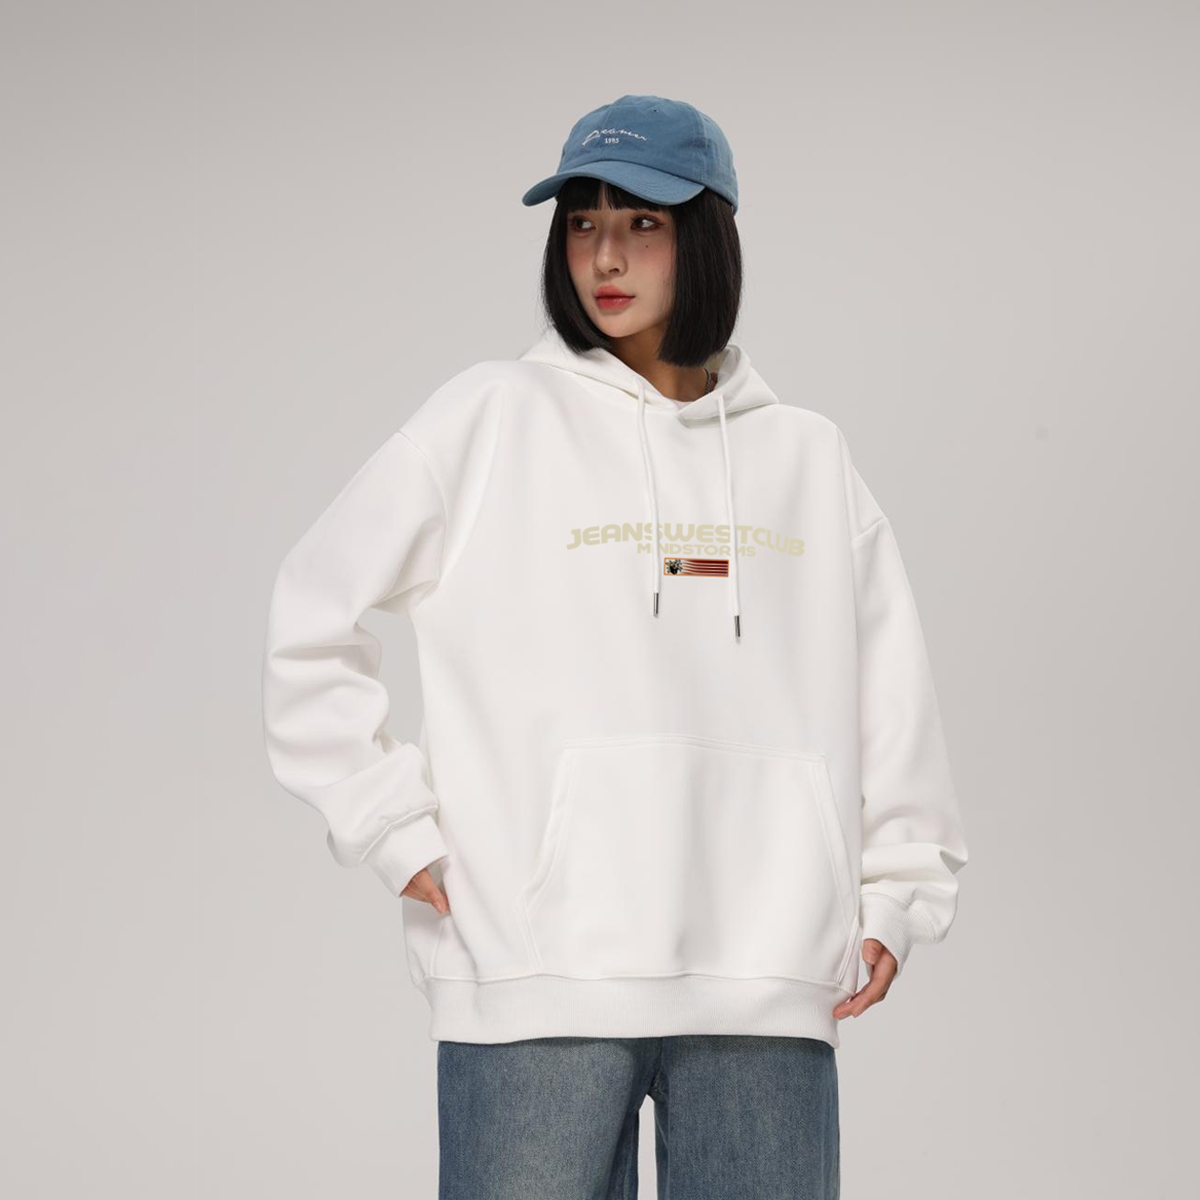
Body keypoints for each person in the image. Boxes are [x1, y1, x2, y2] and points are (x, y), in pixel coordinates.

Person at [261, 93, 969, 1199]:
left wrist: (900, 888)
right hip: (536, 974)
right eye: (583, 221)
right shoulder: (489, 417)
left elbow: (895, 693)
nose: (604, 255)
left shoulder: (807, 457)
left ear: (708, 237)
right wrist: (388, 823)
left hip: (768, 974)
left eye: (644, 222)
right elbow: (312, 613)